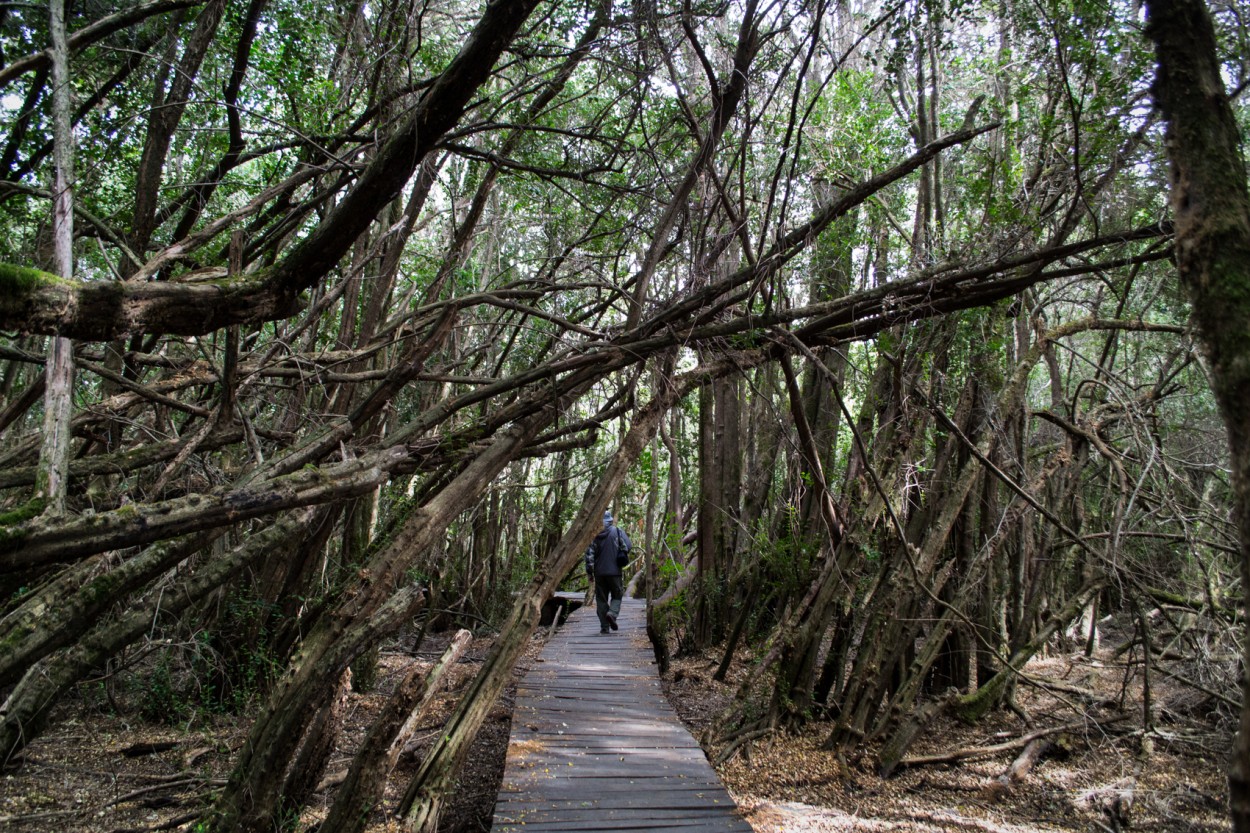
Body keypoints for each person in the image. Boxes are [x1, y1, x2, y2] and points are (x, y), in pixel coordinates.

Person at [584, 509, 631, 634]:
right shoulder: (616, 531)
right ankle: (612, 613)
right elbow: (626, 546)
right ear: (609, 520)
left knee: (601, 599)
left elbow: (589, 557)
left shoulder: (594, 535)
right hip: (615, 571)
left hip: (599, 573)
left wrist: (590, 573)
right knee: (617, 594)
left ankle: (604, 627)